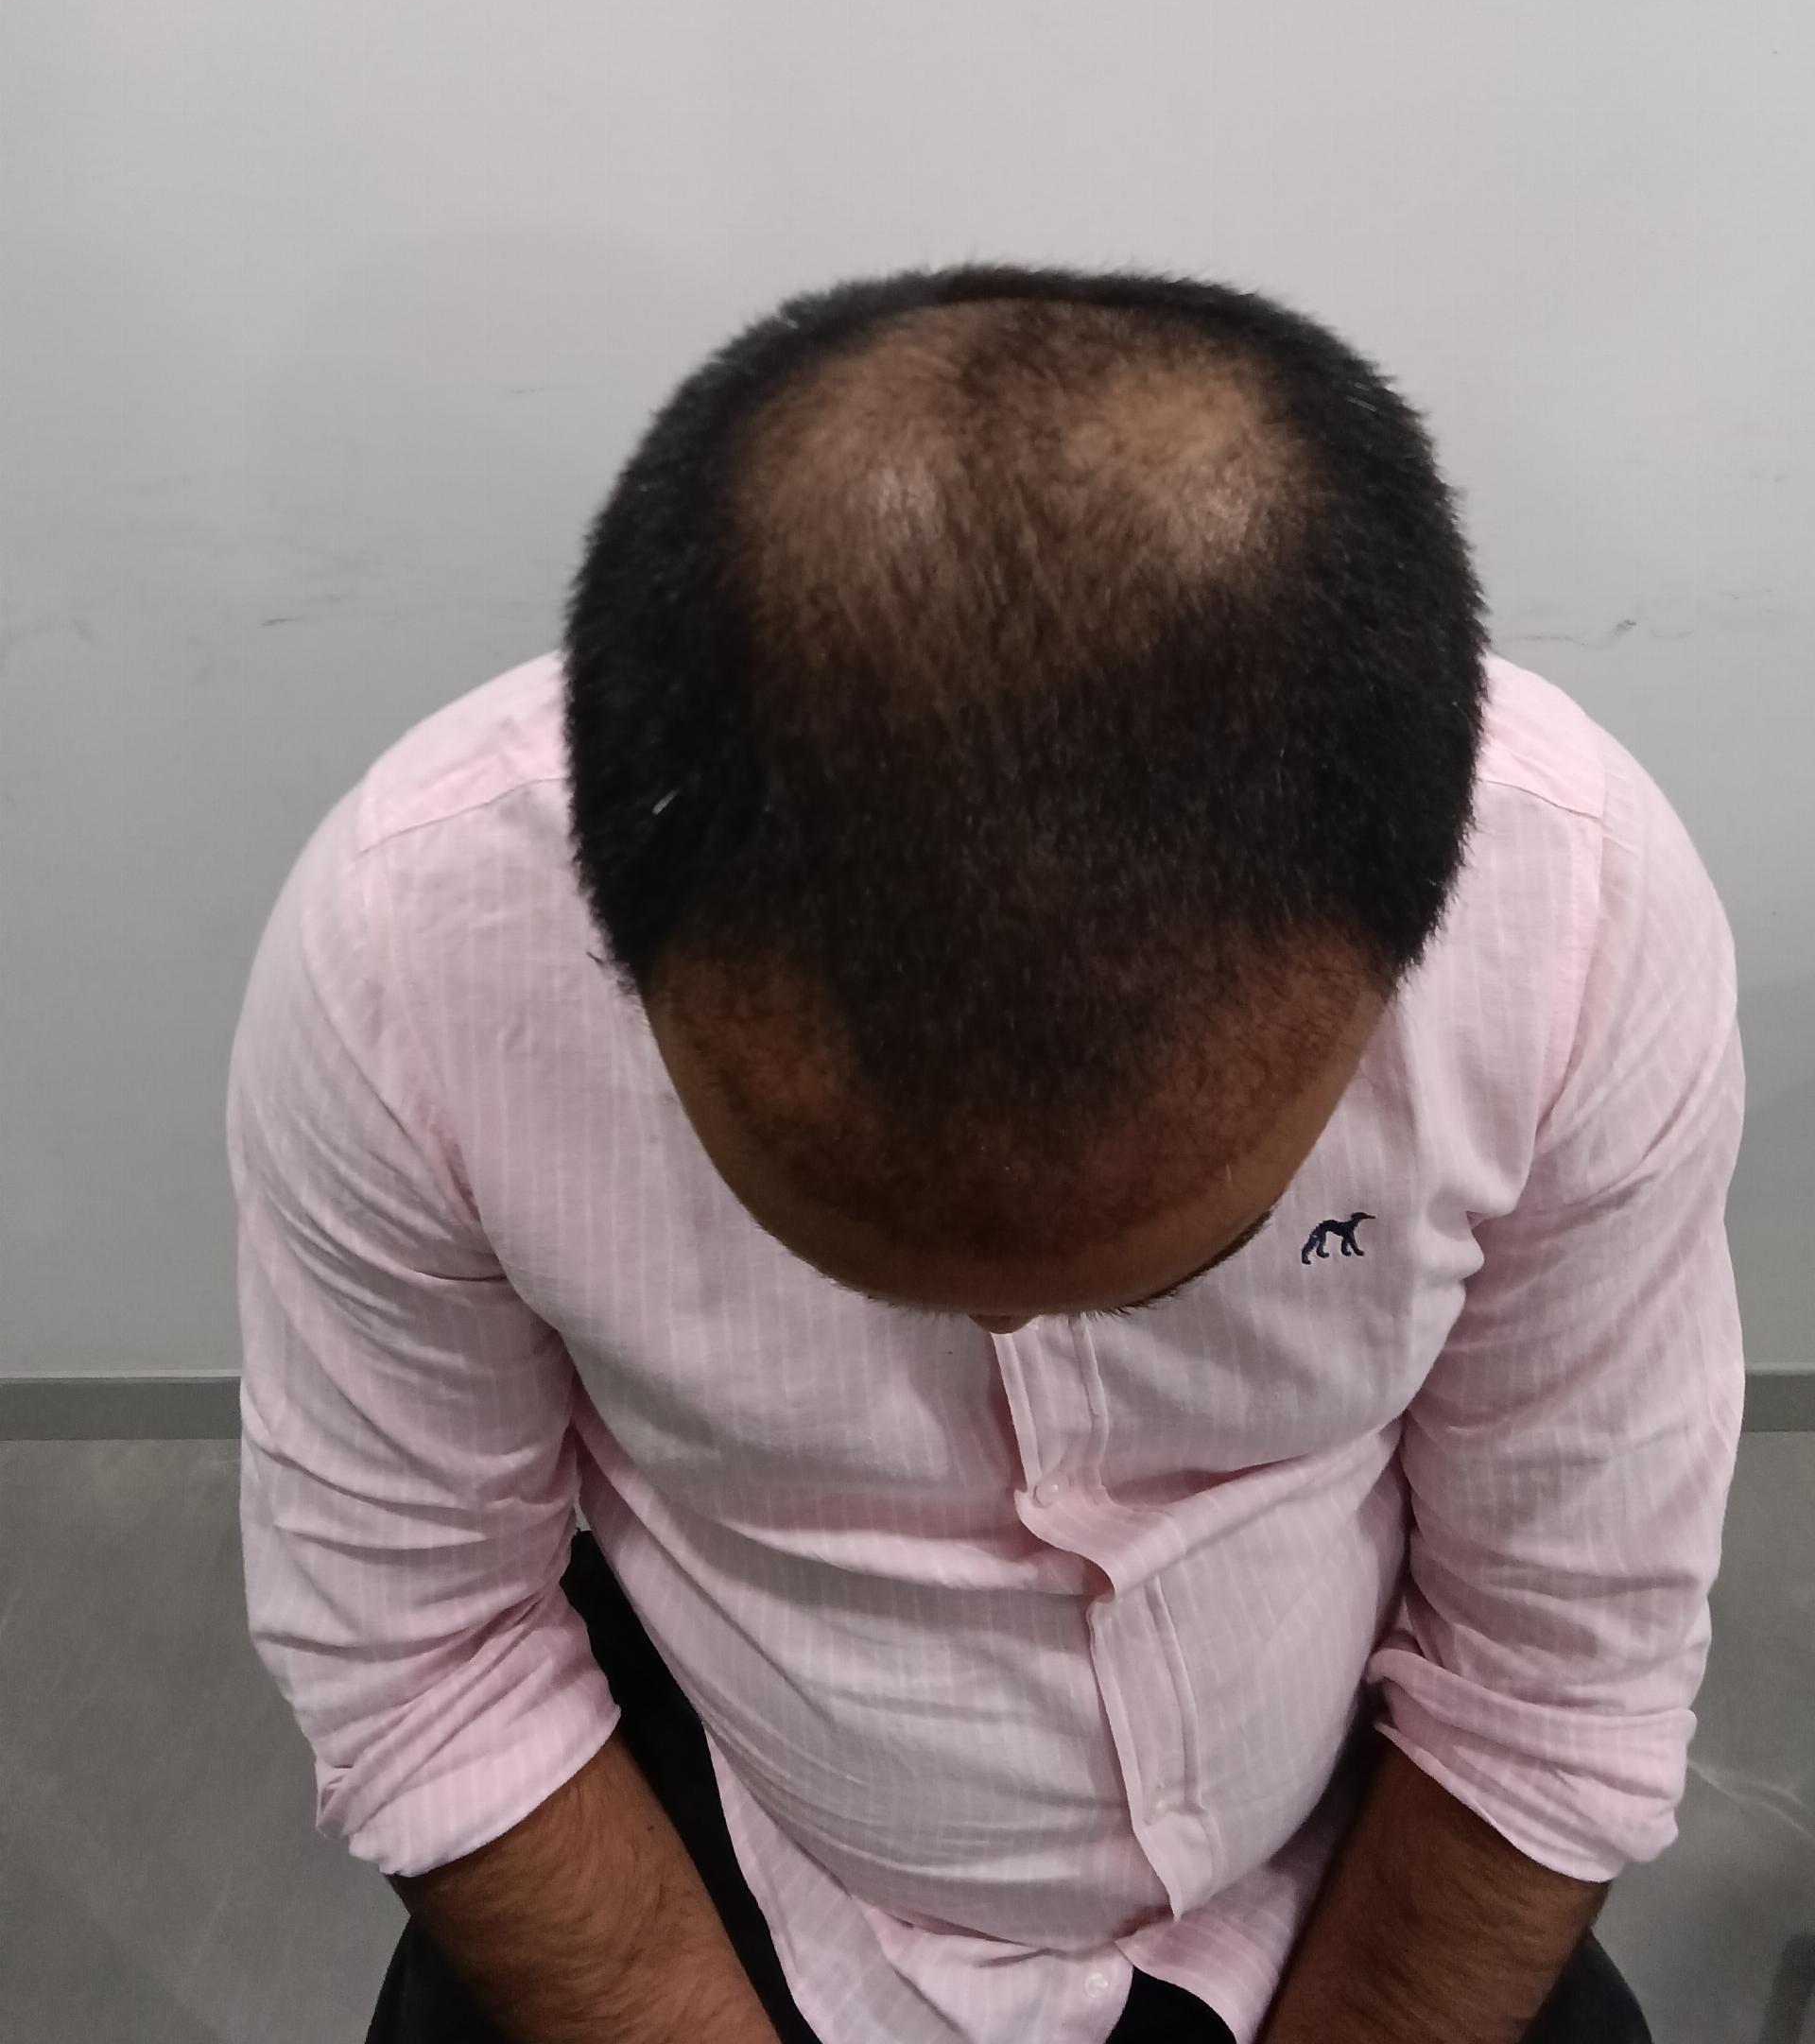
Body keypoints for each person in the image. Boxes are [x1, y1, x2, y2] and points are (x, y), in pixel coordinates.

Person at [229, 263, 1744, 2044]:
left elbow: (1556, 1666)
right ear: (616, 926)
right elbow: (427, 1652)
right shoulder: (416, 965)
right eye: (852, 1262)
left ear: (1413, 933)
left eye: (1184, 1261)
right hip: (734, 1828)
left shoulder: (1569, 920)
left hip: (1357, 1829)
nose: (1014, 1333)